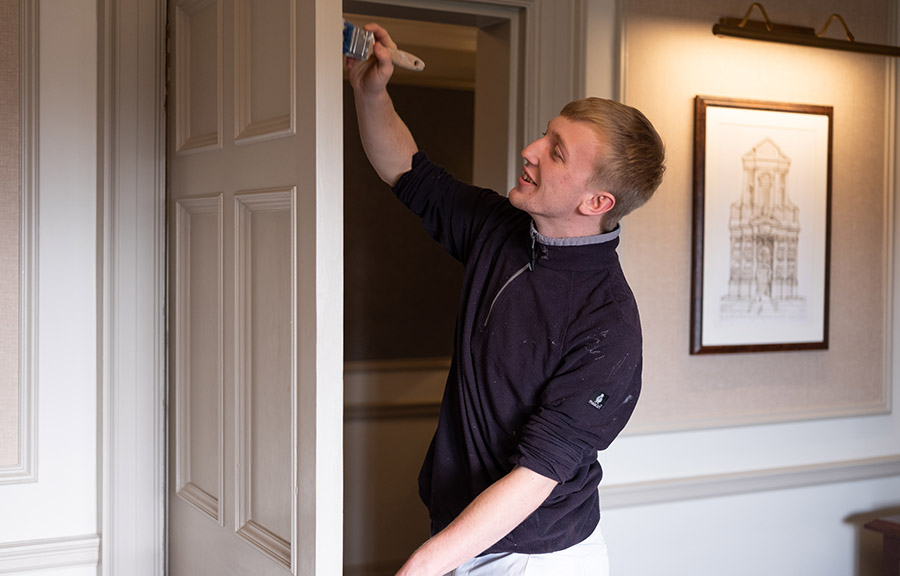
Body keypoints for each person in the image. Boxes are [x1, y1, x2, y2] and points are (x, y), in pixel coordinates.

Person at [347, 23, 665, 576]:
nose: (531, 149)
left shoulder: (609, 324)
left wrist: (422, 566)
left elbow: (535, 477)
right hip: (462, 539)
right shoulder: (500, 229)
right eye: (546, 134)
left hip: (537, 560)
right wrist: (369, 90)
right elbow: (405, 170)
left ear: (597, 200)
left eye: (556, 151)